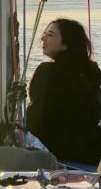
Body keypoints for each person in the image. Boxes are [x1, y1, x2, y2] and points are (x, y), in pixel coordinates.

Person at [26, 19, 101, 165]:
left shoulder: (47, 72)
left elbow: (35, 120)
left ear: (66, 44)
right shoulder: (91, 73)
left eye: (50, 35)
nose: (43, 38)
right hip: (91, 151)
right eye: (44, 34)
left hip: (60, 154)